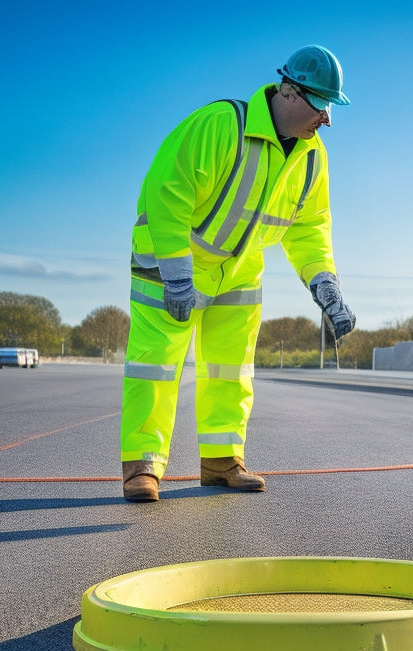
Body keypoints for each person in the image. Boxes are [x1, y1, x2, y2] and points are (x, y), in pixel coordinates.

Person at [120, 45, 356, 502]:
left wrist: (325, 283)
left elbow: (310, 227)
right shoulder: (221, 124)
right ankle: (142, 466)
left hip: (240, 272)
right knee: (155, 367)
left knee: (231, 370)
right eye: (322, 104)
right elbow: (166, 193)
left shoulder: (312, 157)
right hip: (171, 265)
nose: (327, 118)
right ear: (289, 91)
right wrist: (176, 275)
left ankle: (222, 461)